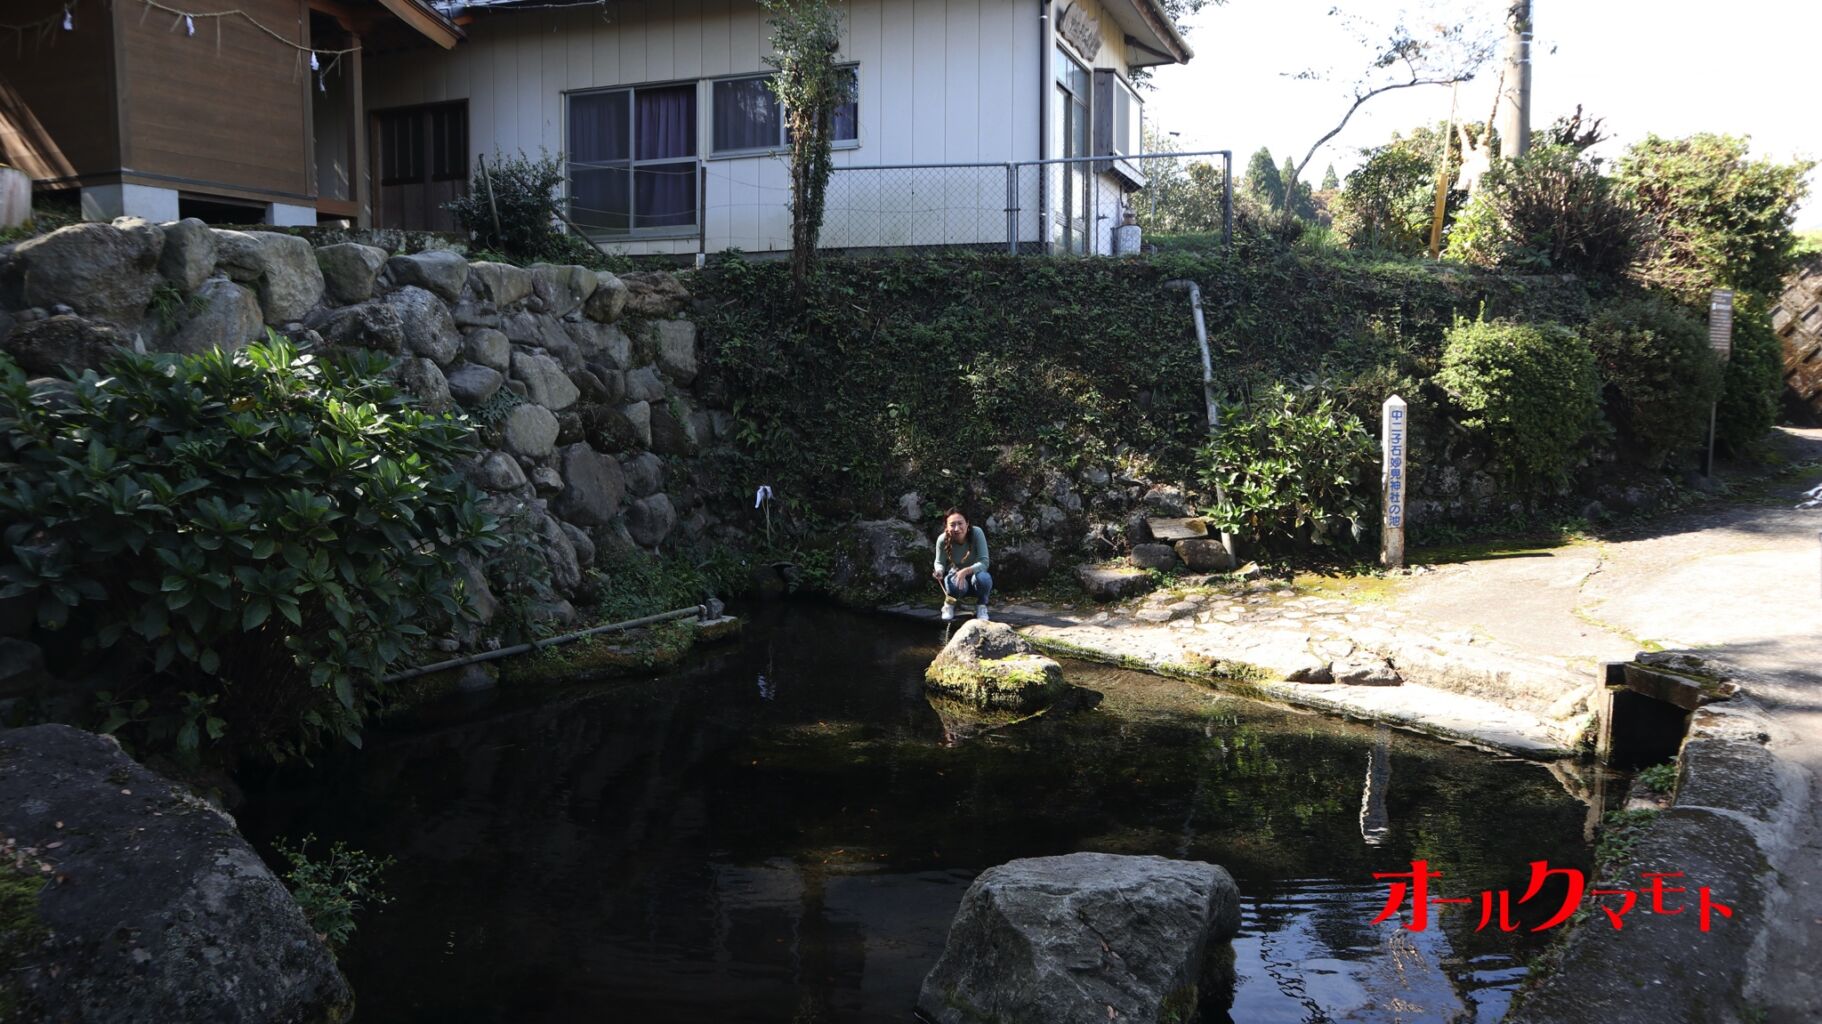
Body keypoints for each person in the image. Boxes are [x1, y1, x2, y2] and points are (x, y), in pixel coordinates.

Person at [932, 508, 992, 622]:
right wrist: (939, 571)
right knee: (953, 582)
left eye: (960, 523)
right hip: (957, 580)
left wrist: (965, 571)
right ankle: (949, 604)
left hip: (976, 576)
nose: (956, 528)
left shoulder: (977, 533)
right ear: (946, 526)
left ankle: (981, 606)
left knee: (984, 578)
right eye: (952, 524)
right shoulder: (942, 539)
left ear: (967, 523)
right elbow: (939, 562)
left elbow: (984, 562)